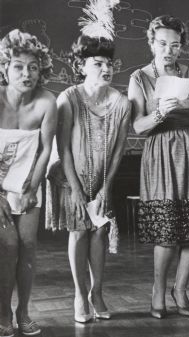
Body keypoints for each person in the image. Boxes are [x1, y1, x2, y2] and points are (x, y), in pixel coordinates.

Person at [128, 15, 189, 318]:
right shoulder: (140, 77)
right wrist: (159, 113)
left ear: (182, 46)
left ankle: (180, 289)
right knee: (167, 231)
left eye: (175, 45)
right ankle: (158, 291)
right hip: (160, 155)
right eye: (162, 44)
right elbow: (137, 126)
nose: (169, 50)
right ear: (152, 43)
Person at [48, 34, 131, 323]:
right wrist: (74, 188)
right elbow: (64, 148)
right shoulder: (68, 98)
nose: (106, 68)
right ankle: (80, 296)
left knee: (100, 231)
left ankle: (97, 292)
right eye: (98, 63)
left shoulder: (122, 102)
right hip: (71, 177)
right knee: (80, 231)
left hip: (102, 178)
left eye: (110, 63)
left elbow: (119, 149)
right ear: (82, 66)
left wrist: (106, 186)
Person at [0, 29, 56, 337]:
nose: (27, 73)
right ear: (5, 67)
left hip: (28, 183)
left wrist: (34, 186)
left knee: (28, 245)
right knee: (7, 246)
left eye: (33, 67)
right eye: (19, 66)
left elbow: (46, 148)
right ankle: (3, 312)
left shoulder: (47, 102)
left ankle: (23, 312)